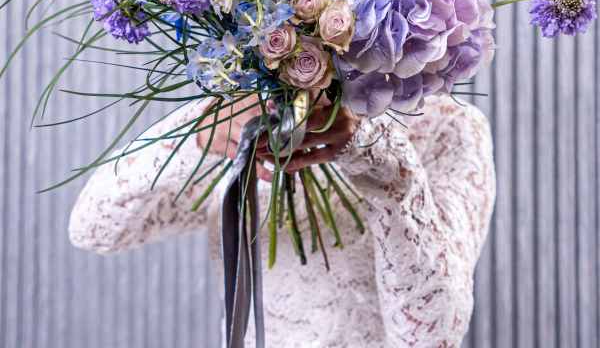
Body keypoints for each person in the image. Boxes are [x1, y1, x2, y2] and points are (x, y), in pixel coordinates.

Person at [69, 95, 496, 348]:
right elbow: (93, 228)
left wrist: (379, 160)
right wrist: (201, 131)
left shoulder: (445, 125)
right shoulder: (242, 115)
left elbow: (432, 337)